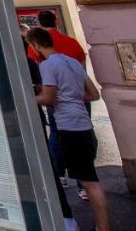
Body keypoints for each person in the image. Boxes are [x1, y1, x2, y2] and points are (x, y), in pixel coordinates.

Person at [29, 28, 109, 231]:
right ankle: (101, 226)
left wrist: (26, 99)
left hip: (69, 126)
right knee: (89, 179)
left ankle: (103, 227)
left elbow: (49, 98)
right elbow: (93, 94)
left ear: (37, 45)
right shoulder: (72, 61)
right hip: (84, 123)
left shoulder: (48, 65)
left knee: (90, 183)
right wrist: (72, 98)